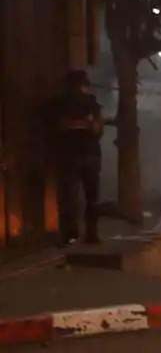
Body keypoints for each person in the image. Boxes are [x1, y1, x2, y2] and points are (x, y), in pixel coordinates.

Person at [50, 71, 106, 244]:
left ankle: (70, 234)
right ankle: (91, 233)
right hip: (89, 155)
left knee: (68, 197)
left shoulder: (60, 103)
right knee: (91, 198)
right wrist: (88, 122)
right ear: (85, 85)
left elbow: (57, 128)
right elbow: (98, 130)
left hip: (69, 155)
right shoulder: (91, 103)